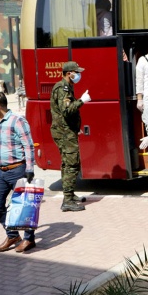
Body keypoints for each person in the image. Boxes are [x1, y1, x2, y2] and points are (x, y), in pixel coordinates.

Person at [0, 91, 37, 253]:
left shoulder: (17, 121)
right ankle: (12, 234)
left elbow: (28, 145)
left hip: (17, 169)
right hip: (1, 171)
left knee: (24, 206)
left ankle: (29, 239)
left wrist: (29, 169)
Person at [50, 61, 91, 211]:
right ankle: (67, 201)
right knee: (71, 165)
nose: (78, 75)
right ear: (69, 73)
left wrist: (75, 127)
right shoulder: (63, 88)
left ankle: (70, 194)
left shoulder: (66, 87)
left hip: (66, 130)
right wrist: (82, 101)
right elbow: (66, 111)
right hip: (64, 133)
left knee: (68, 163)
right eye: (76, 72)